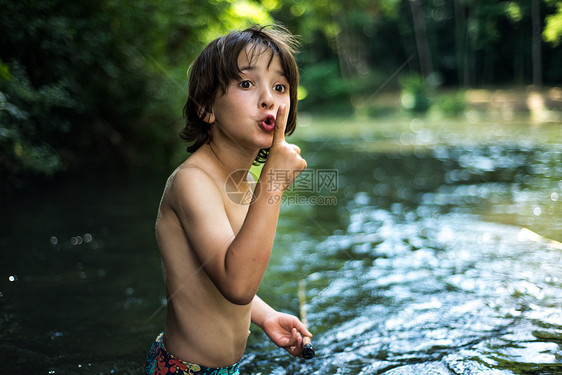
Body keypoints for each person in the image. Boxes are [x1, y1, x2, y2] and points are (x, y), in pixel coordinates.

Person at [145, 25, 311, 375]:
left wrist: (265, 315)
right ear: (206, 107)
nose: (269, 99)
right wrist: (275, 182)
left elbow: (217, 275)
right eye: (247, 84)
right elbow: (236, 282)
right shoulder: (193, 181)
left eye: (279, 87)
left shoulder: (244, 181)